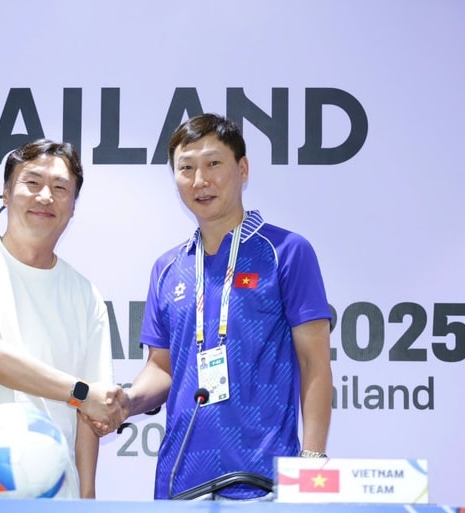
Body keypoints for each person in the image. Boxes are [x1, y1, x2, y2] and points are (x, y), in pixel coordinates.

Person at [110, 113, 333, 500]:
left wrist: (311, 464)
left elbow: (314, 362)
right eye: (186, 168)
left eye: (213, 163)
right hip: (179, 481)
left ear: (242, 169)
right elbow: (161, 368)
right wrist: (126, 403)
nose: (200, 180)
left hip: (265, 483)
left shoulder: (285, 252)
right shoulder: (168, 268)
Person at [0, 138, 123, 499]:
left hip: (54, 495)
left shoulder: (85, 294)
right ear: (5, 193)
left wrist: (87, 499)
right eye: (32, 182)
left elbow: (89, 414)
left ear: (73, 206)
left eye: (60, 188)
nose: (45, 196)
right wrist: (81, 393)